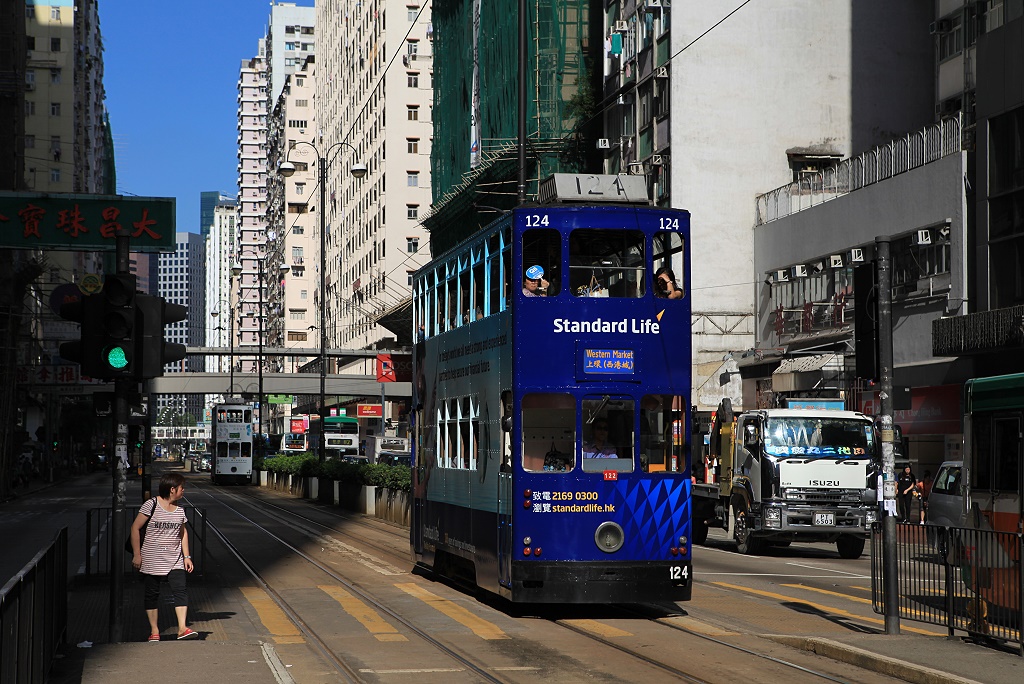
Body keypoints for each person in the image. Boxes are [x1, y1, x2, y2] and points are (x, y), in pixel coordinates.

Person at [130, 472, 197, 641]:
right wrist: (137, 554)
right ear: (172, 489)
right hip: (152, 558)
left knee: (180, 590)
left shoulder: (180, 511)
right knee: (152, 594)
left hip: (174, 558)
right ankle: (154, 631)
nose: (184, 491)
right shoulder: (151, 505)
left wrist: (186, 556)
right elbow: (135, 528)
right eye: (182, 488)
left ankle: (182, 628)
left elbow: (183, 534)